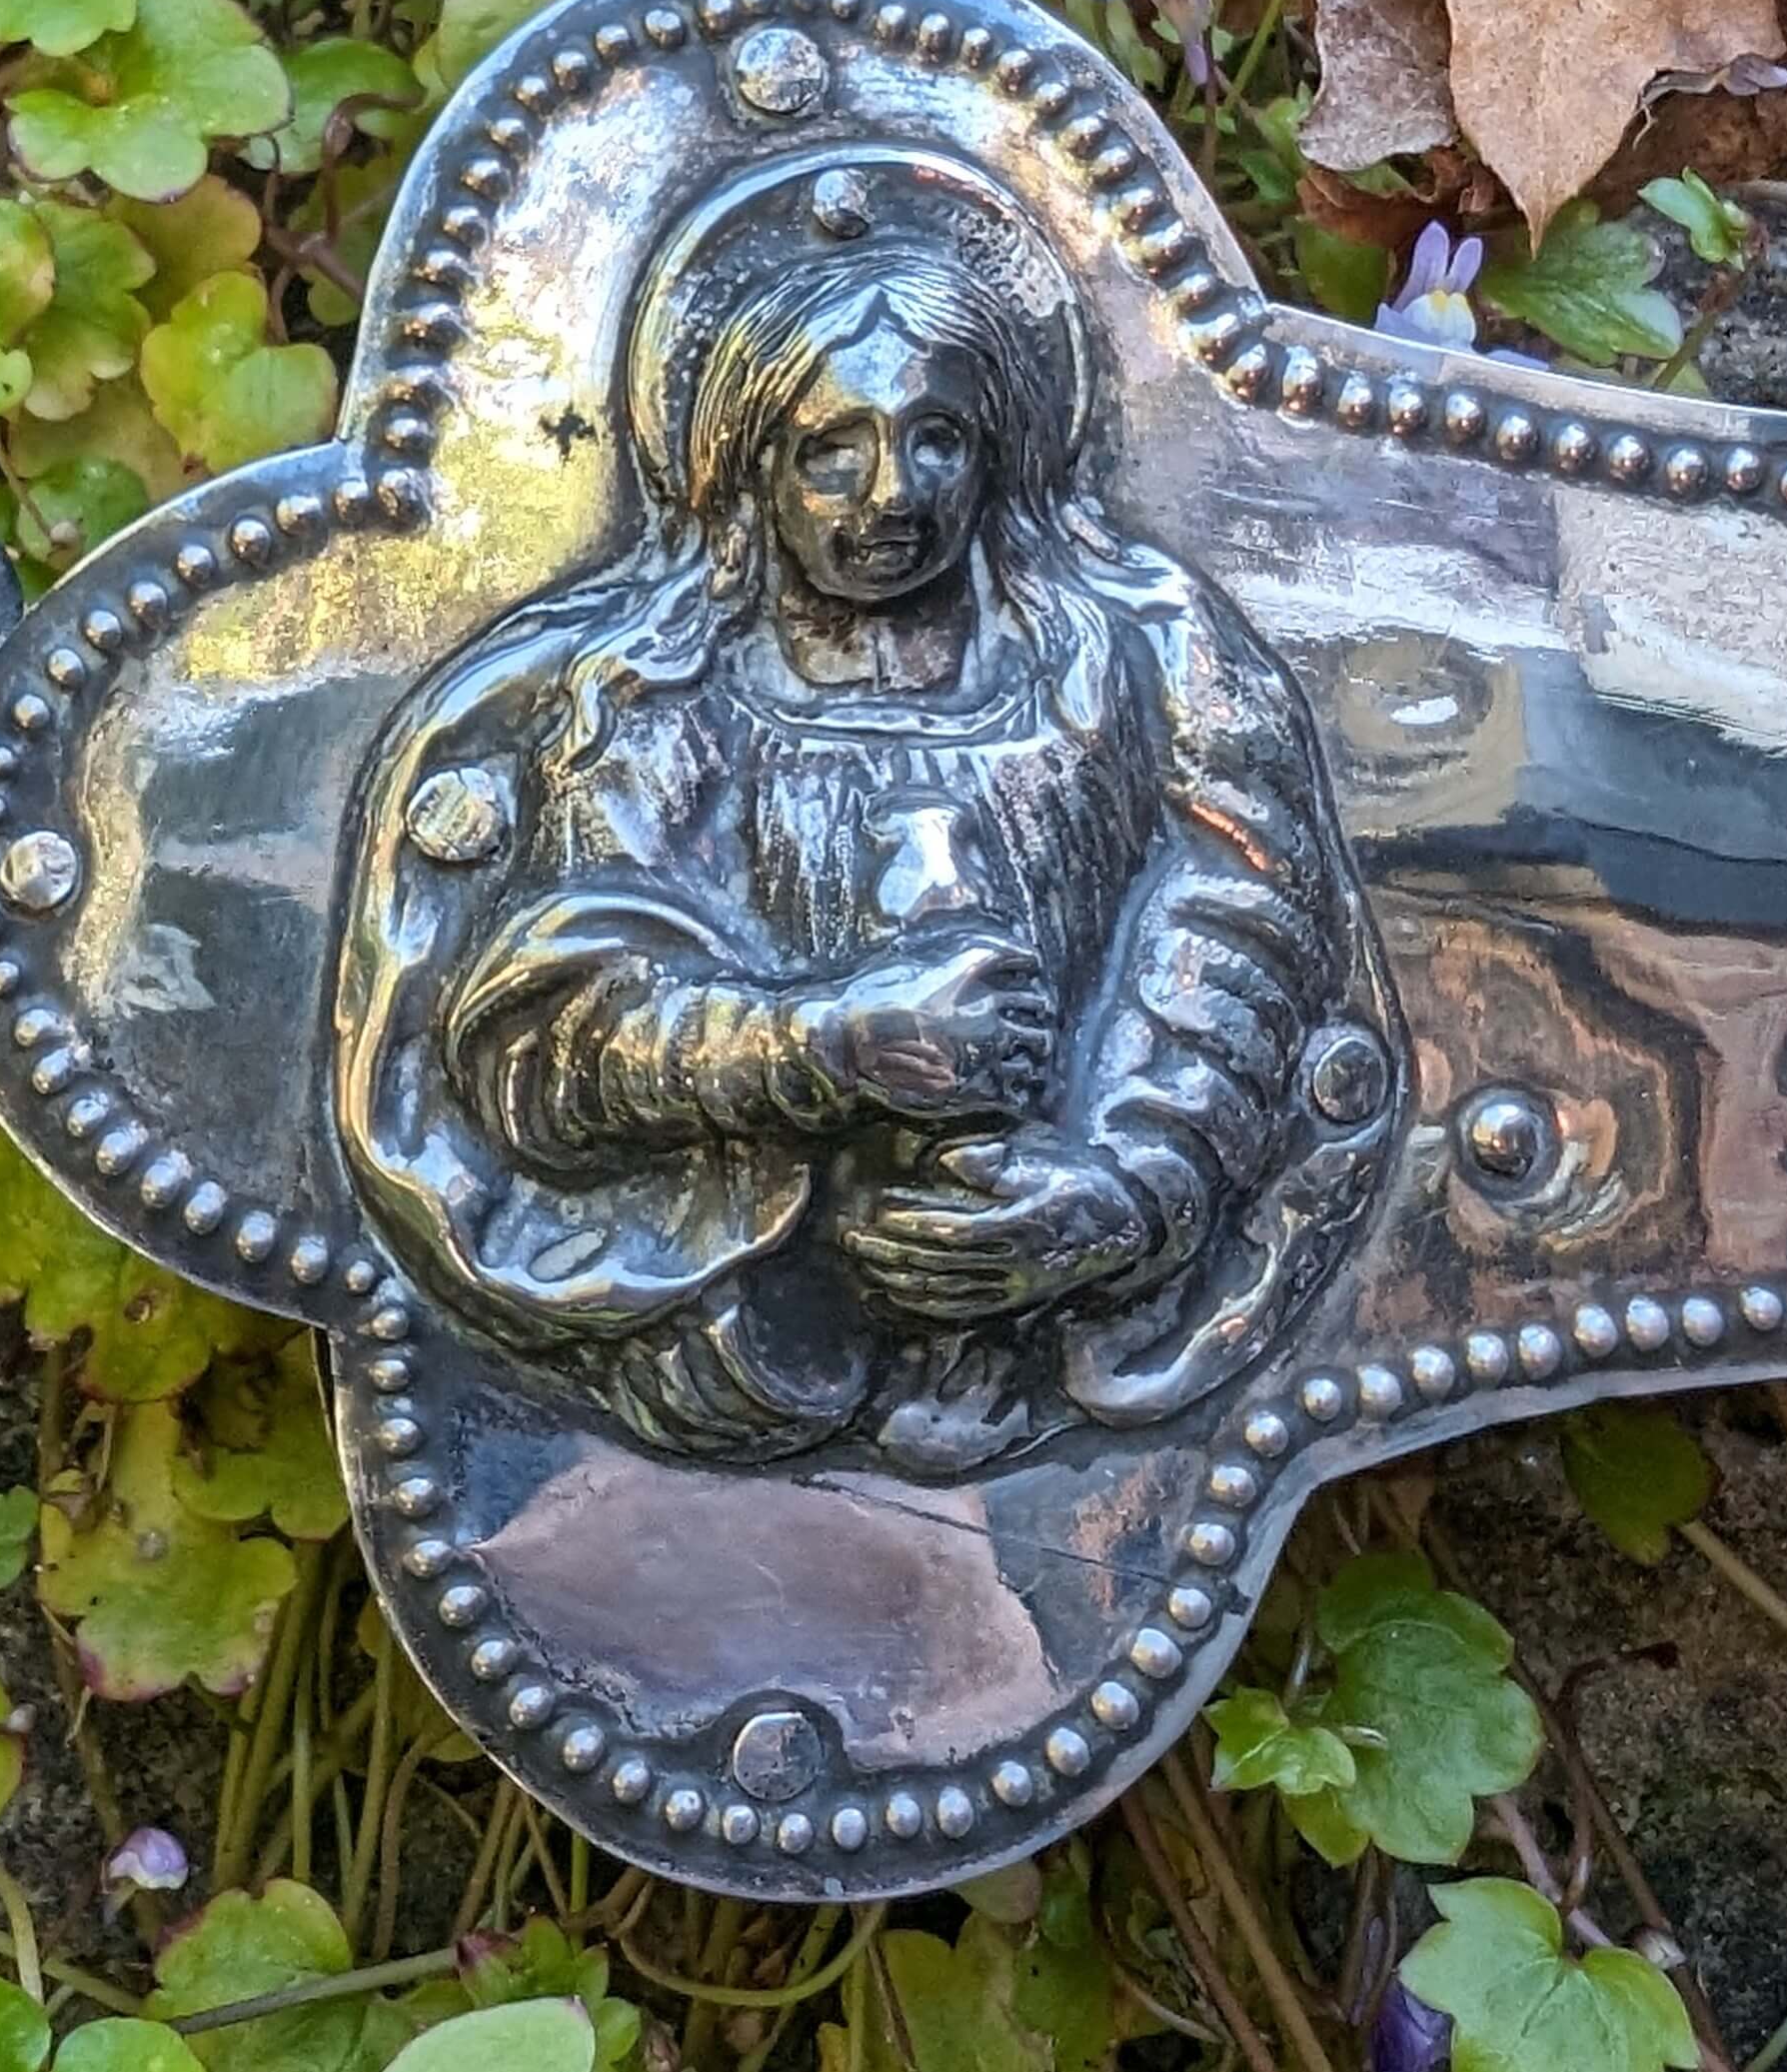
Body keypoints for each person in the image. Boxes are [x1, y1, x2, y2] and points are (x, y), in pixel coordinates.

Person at [334, 185, 1391, 1473]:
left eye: (937, 439)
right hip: (742, 1355)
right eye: (835, 447)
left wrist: (1123, 1191)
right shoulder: (655, 706)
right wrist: (828, 1044)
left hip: (1073, 1334)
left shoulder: (1139, 664)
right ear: (749, 464)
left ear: (1001, 447)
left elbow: (1241, 931)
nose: (894, 494)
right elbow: (544, 1044)